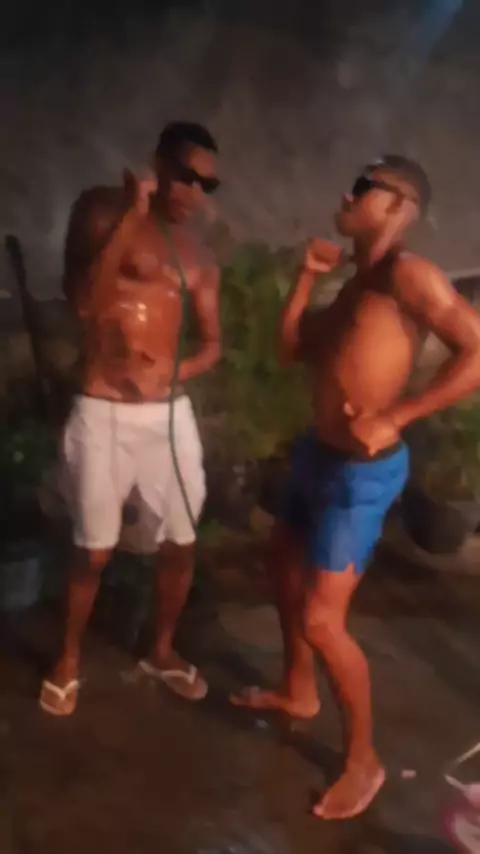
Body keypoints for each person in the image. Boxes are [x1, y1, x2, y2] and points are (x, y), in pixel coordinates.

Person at [231, 155, 480, 819]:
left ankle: (364, 761)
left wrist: (396, 416)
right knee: (283, 567)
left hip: (362, 474)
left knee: (322, 618)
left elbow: (477, 350)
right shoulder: (355, 285)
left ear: (398, 207)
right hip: (318, 456)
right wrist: (305, 280)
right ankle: (298, 689)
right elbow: (291, 349)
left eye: (365, 188)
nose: (348, 194)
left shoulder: (408, 274)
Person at [39, 121, 222, 716]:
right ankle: (67, 658)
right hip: (103, 410)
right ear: (158, 164)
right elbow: (85, 302)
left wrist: (172, 372)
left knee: (181, 541)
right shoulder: (101, 212)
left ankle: (161, 649)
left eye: (207, 184)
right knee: (93, 549)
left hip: (167, 414)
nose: (193, 191)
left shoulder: (199, 256)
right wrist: (132, 215)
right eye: (185, 175)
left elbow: (212, 345)